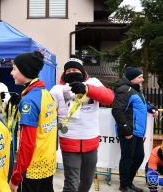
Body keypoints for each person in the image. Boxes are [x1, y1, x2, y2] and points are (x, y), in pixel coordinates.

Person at [50, 57, 114, 192]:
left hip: (91, 142)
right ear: (64, 73)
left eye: (75, 69)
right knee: (71, 183)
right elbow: (48, 111)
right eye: (68, 70)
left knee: (87, 181)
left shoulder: (93, 82)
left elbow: (109, 98)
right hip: (69, 141)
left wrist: (87, 89)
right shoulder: (57, 89)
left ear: (82, 71)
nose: (72, 72)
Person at [9, 51, 58, 192]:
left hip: (31, 168)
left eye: (14, 69)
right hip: (47, 164)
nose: (11, 73)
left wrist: (16, 176)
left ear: (25, 71)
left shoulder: (29, 101)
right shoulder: (46, 94)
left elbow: (26, 143)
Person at [112, 67, 158, 192]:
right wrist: (126, 130)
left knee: (138, 157)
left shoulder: (136, 91)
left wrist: (152, 108)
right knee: (127, 158)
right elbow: (117, 111)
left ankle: (129, 183)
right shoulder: (124, 90)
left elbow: (142, 104)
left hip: (138, 132)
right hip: (129, 132)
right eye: (140, 77)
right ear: (132, 78)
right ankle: (124, 186)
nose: (142, 79)